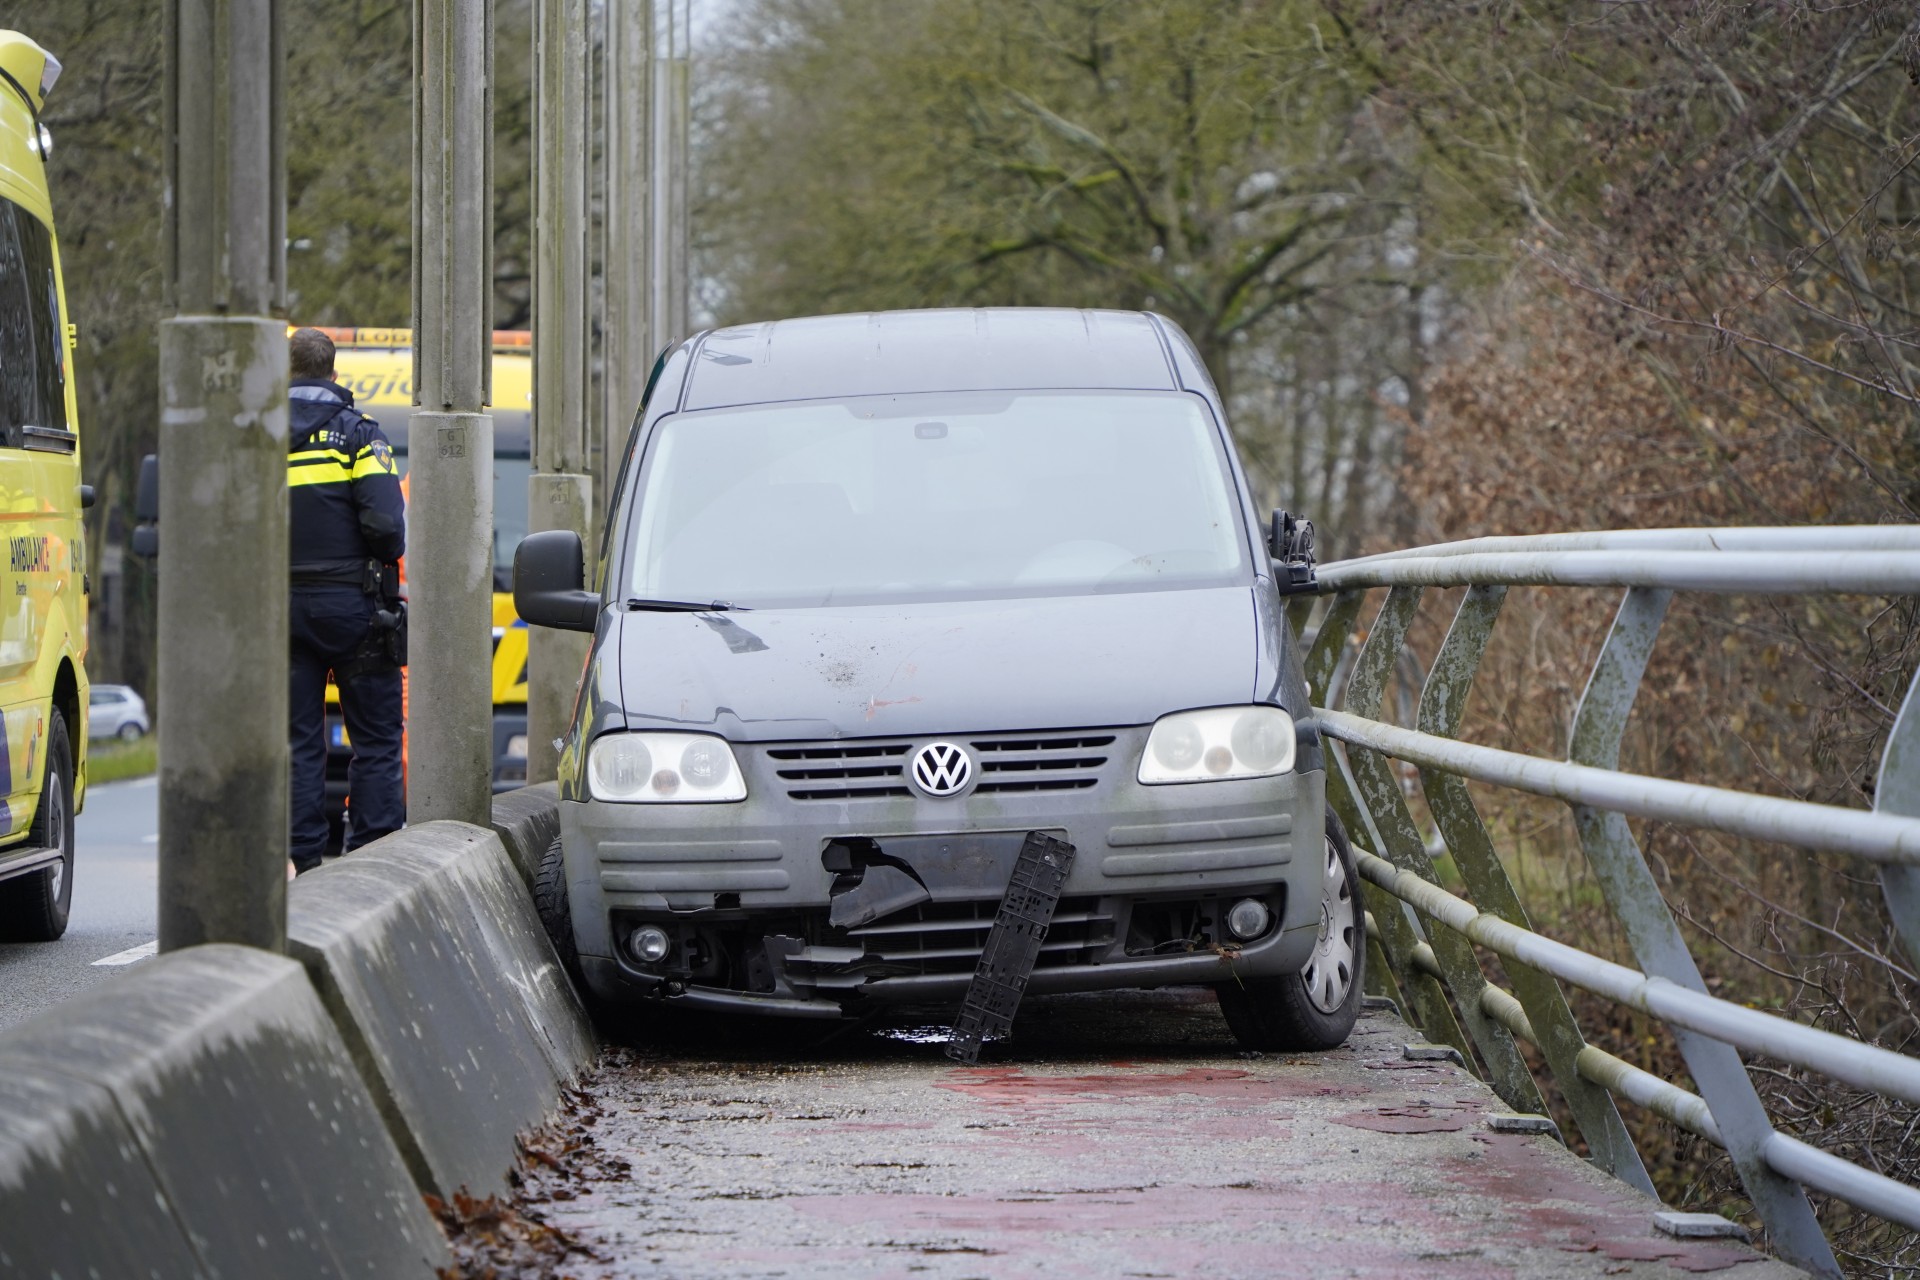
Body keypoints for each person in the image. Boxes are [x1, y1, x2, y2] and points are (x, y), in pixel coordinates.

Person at [287, 327, 406, 874]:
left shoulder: (254, 438)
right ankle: (370, 857)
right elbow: (387, 527)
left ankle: (300, 860)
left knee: (298, 741)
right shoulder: (361, 437)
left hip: (280, 611)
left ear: (287, 374)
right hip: (354, 610)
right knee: (377, 739)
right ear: (335, 375)